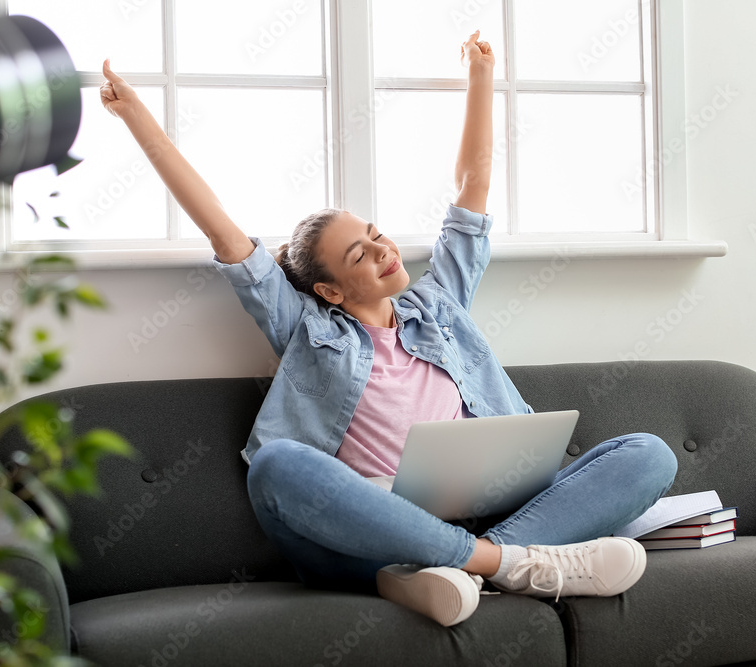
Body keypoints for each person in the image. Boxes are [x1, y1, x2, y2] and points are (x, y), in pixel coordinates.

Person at [99, 30, 678, 628]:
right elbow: (220, 228)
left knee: (648, 455)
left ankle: (451, 572)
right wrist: (138, 119)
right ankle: (512, 565)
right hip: (365, 532)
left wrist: (482, 78)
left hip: (490, 508)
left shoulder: (438, 304)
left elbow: (471, 189)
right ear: (329, 290)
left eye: (375, 235)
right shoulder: (304, 326)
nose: (382, 251)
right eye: (359, 256)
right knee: (278, 469)